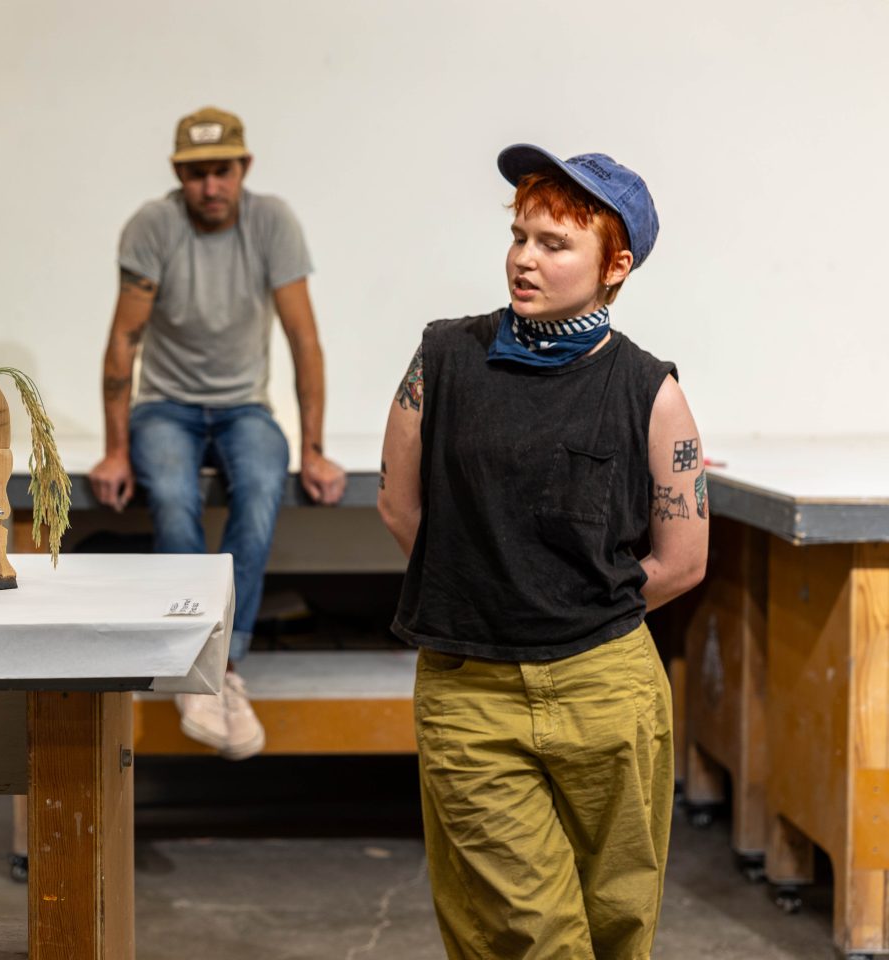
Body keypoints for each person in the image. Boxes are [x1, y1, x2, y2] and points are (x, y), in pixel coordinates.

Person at [378, 146, 708, 958]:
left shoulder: (649, 391)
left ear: (615, 266)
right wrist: (490, 590)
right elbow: (400, 504)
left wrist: (569, 612)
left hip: (607, 688)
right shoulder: (444, 358)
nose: (525, 259)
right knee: (526, 931)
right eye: (519, 236)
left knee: (619, 921)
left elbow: (683, 560)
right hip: (472, 686)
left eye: (554, 244)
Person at [89, 107, 346, 760]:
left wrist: (314, 450)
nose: (211, 186)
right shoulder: (153, 226)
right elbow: (124, 340)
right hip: (165, 406)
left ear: (244, 167)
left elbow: (305, 340)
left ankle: (223, 664)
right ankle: (190, 662)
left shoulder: (271, 222)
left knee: (260, 486)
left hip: (243, 408)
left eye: (222, 171)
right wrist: (115, 449)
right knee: (174, 496)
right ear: (179, 175)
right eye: (197, 173)